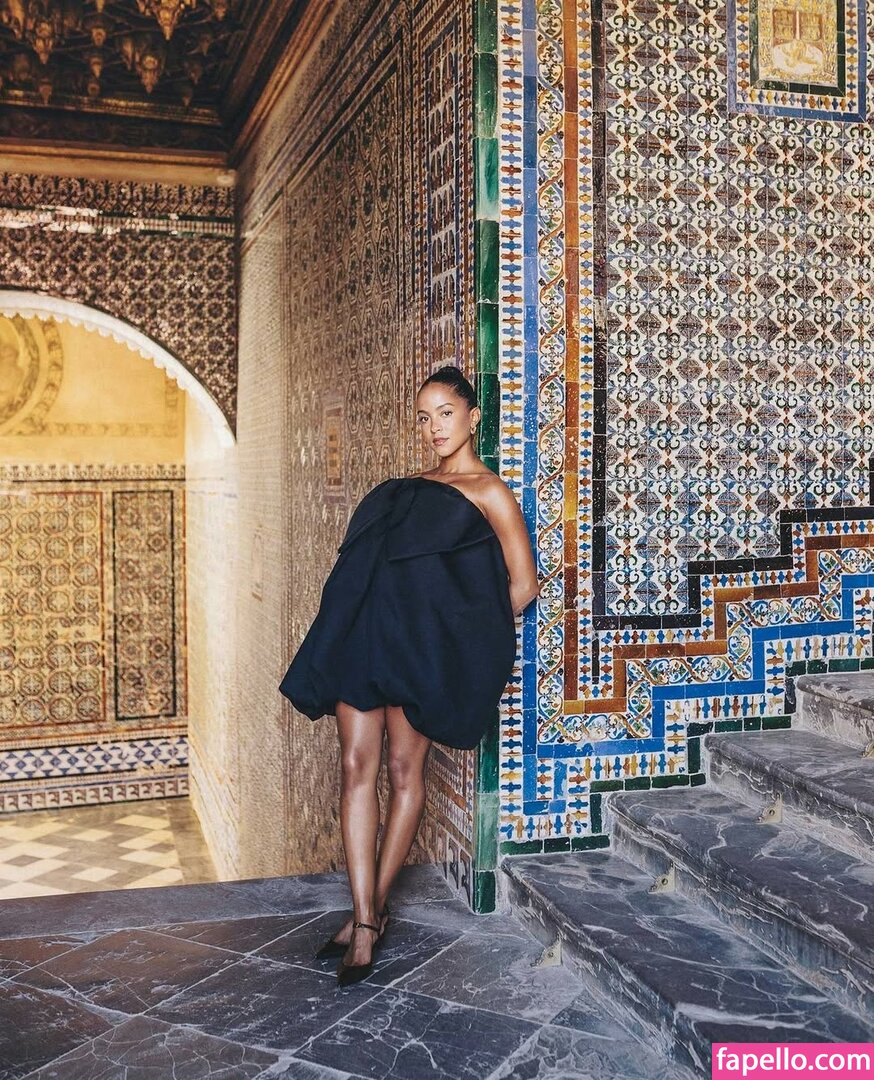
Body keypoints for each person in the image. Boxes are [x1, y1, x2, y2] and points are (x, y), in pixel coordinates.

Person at [279, 364, 539, 986]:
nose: (435, 428)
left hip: (420, 655)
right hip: (365, 644)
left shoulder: (491, 492)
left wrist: (454, 640)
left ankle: (368, 918)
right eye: (424, 418)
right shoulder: (402, 490)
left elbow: (523, 585)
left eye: (446, 413)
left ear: (473, 416)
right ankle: (366, 914)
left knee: (403, 771)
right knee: (355, 767)